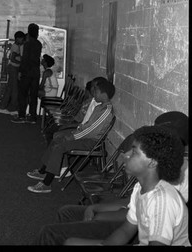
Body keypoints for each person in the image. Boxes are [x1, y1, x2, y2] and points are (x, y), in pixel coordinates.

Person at [36, 111, 189, 245]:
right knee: (67, 218)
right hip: (137, 227)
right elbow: (131, 219)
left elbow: (146, 218)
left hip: (142, 232)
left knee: (54, 234)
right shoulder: (143, 186)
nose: (126, 155)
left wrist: (100, 215)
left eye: (134, 152)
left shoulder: (164, 197)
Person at [26, 79, 115, 193]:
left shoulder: (106, 111)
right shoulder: (99, 107)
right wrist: (74, 132)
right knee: (56, 140)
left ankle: (46, 183)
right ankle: (43, 171)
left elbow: (91, 131)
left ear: (104, 94)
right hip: (83, 135)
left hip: (91, 141)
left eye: (96, 91)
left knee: (60, 145)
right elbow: (86, 125)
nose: (93, 93)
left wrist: (73, 136)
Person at [42, 76, 107, 145]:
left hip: (78, 125)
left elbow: (85, 123)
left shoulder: (96, 105)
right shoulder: (88, 101)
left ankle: (53, 146)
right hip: (75, 120)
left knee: (57, 131)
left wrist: (70, 123)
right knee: (52, 128)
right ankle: (51, 145)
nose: (85, 92)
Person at [11, 23, 42, 124]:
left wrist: (20, 71)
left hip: (27, 72)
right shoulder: (38, 43)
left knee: (23, 95)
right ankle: (33, 117)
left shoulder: (27, 44)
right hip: (36, 73)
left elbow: (25, 59)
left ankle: (21, 116)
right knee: (33, 96)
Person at [0, 31, 26, 115]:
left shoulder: (17, 46)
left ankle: (3, 106)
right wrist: (21, 60)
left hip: (13, 68)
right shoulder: (16, 47)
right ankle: (12, 108)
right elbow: (13, 58)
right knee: (15, 90)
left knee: (9, 89)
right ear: (18, 39)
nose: (23, 41)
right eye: (22, 39)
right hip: (14, 68)